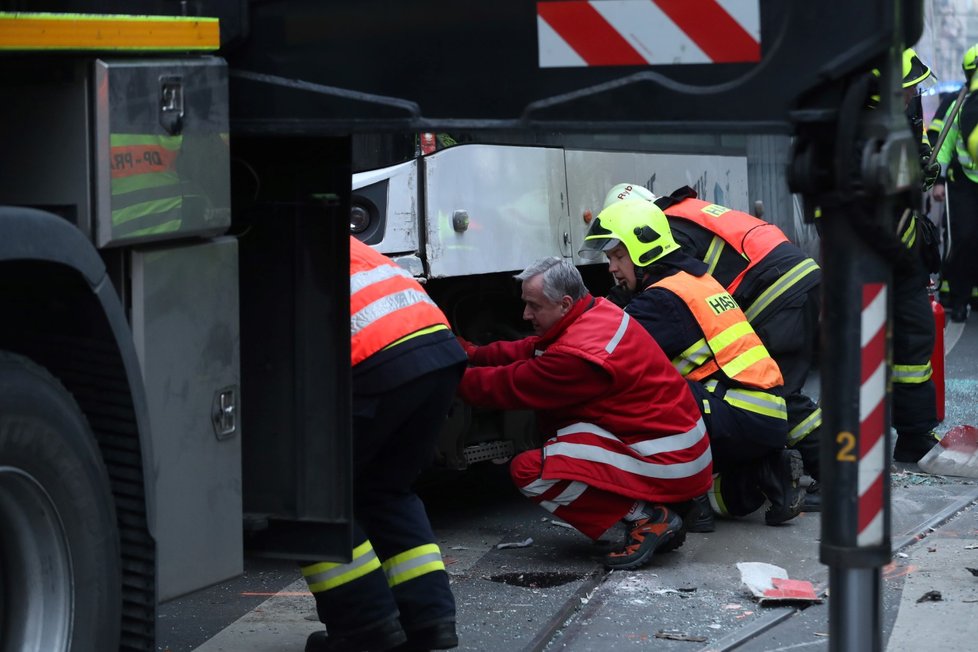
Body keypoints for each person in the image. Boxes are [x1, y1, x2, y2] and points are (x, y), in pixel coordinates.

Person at [456, 257, 713, 570]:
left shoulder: (578, 357)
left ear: (564, 304)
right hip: (677, 449)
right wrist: (472, 353)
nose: (526, 314)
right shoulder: (595, 311)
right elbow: (532, 348)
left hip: (671, 459)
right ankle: (658, 507)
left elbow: (507, 385)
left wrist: (443, 376)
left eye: (534, 306)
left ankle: (648, 518)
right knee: (565, 436)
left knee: (532, 470)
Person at [580, 199, 806, 527]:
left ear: (644, 250)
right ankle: (767, 475)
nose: (612, 268)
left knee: (635, 389)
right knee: (729, 499)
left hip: (737, 410)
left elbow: (605, 352)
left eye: (618, 256)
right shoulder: (690, 280)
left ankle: (687, 499)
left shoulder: (661, 300)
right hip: (760, 414)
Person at [302, 236, 467, 652]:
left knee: (312, 498)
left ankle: (364, 627)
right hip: (437, 346)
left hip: (379, 356)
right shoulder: (324, 225)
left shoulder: (252, 238)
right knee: (386, 489)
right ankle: (429, 621)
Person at [936, 44, 978, 323]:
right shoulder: (958, 105)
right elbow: (944, 144)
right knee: (963, 239)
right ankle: (960, 300)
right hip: (963, 182)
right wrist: (938, 179)